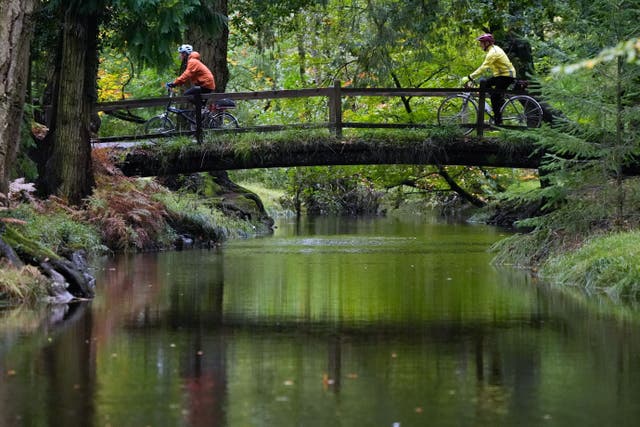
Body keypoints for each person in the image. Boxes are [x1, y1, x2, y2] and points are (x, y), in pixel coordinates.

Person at [461, 33, 516, 125]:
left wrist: (470, 77)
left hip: (506, 76)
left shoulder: (493, 53)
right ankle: (500, 102)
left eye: (481, 43)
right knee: (486, 84)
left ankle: (498, 121)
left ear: (487, 43)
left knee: (494, 96)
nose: (480, 45)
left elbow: (483, 67)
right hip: (501, 75)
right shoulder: (493, 49)